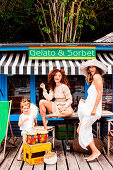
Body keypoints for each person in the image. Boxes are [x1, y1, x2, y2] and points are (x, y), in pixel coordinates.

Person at [77, 59, 107, 161]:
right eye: (89, 67)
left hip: (92, 109)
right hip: (88, 107)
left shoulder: (97, 76)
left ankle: (95, 151)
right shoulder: (94, 78)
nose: (91, 69)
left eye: (93, 66)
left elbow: (100, 94)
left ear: (97, 68)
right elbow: (93, 95)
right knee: (82, 129)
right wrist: (86, 101)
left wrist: (94, 109)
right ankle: (94, 151)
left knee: (81, 129)